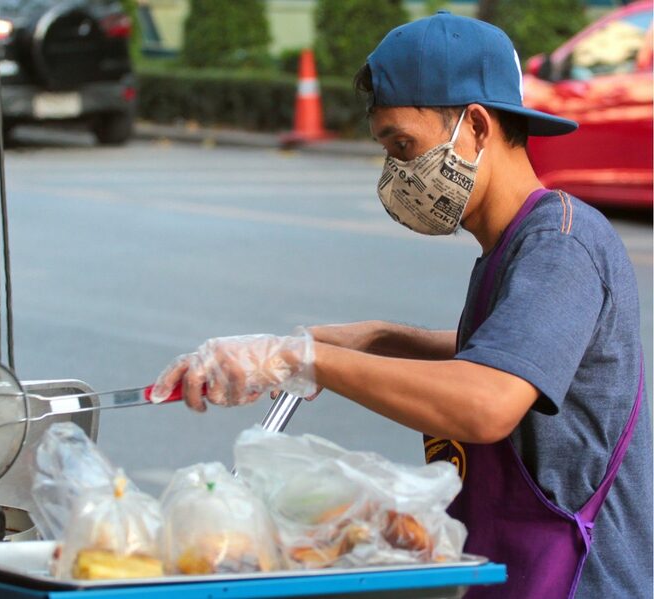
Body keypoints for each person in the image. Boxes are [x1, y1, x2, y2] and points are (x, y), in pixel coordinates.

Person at [150, 11, 652, 599]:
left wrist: (303, 359)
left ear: (477, 126)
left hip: (583, 582)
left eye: (404, 145)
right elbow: (517, 352)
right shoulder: (516, 243)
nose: (398, 174)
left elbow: (487, 402)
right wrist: (377, 339)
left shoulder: (559, 245)